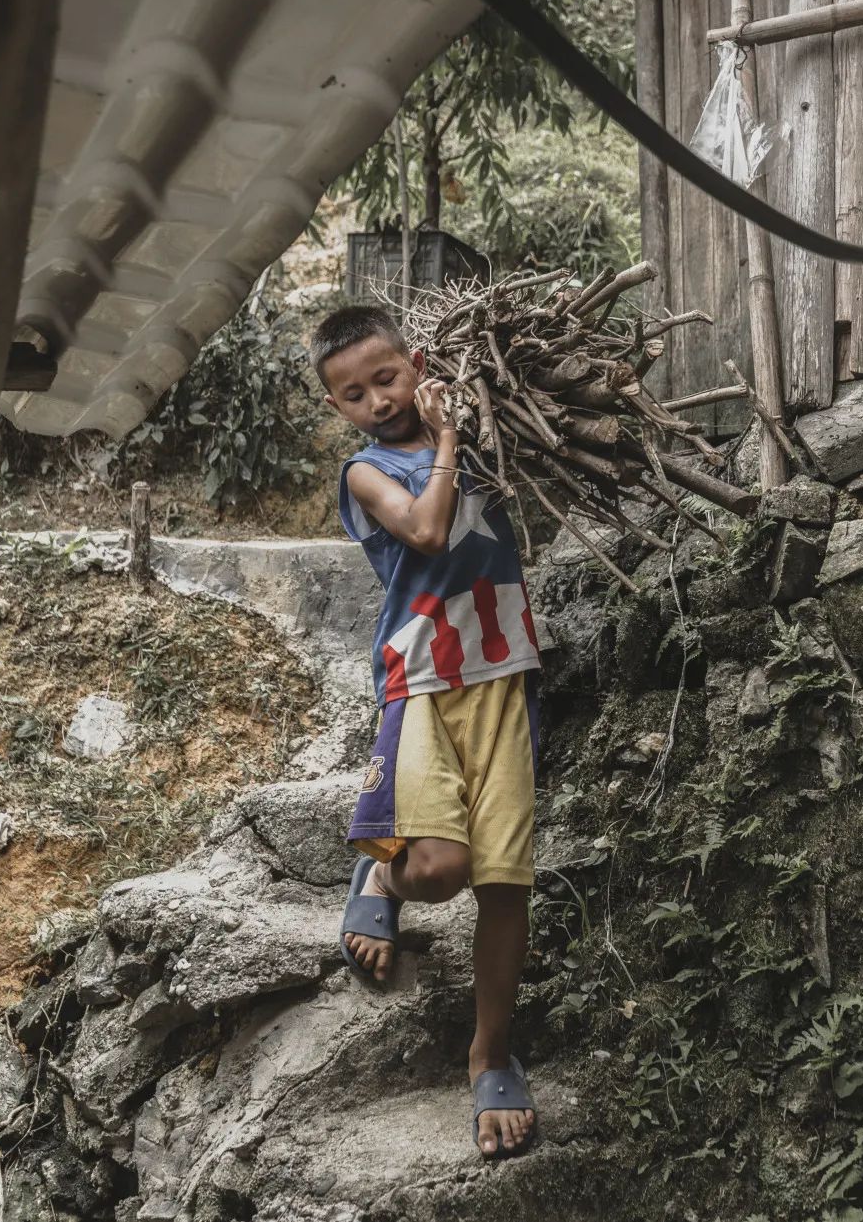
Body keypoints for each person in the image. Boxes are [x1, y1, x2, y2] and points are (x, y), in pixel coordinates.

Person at [310, 303, 543, 1161]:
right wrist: (446, 441)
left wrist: (470, 422)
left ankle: (488, 1054)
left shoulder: (479, 430)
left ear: (416, 364)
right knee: (439, 868)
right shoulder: (366, 472)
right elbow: (430, 527)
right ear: (338, 408)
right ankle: (379, 876)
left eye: (386, 378)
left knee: (506, 881)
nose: (376, 400)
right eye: (354, 392)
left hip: (502, 666)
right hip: (419, 677)